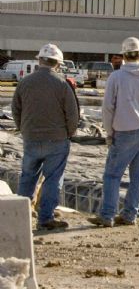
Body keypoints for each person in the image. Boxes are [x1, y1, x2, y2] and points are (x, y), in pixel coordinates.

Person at [89, 37, 139, 228]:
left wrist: (109, 132)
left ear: (123, 56)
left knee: (112, 176)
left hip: (124, 132)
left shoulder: (116, 77)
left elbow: (108, 108)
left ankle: (107, 216)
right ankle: (130, 215)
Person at [12, 44, 79, 230]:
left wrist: (23, 128)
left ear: (39, 60)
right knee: (52, 179)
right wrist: (69, 133)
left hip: (31, 138)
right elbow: (72, 115)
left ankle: (19, 220)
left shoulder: (25, 82)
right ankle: (45, 219)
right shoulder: (62, 84)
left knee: (27, 178)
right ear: (58, 63)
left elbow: (15, 109)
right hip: (57, 140)